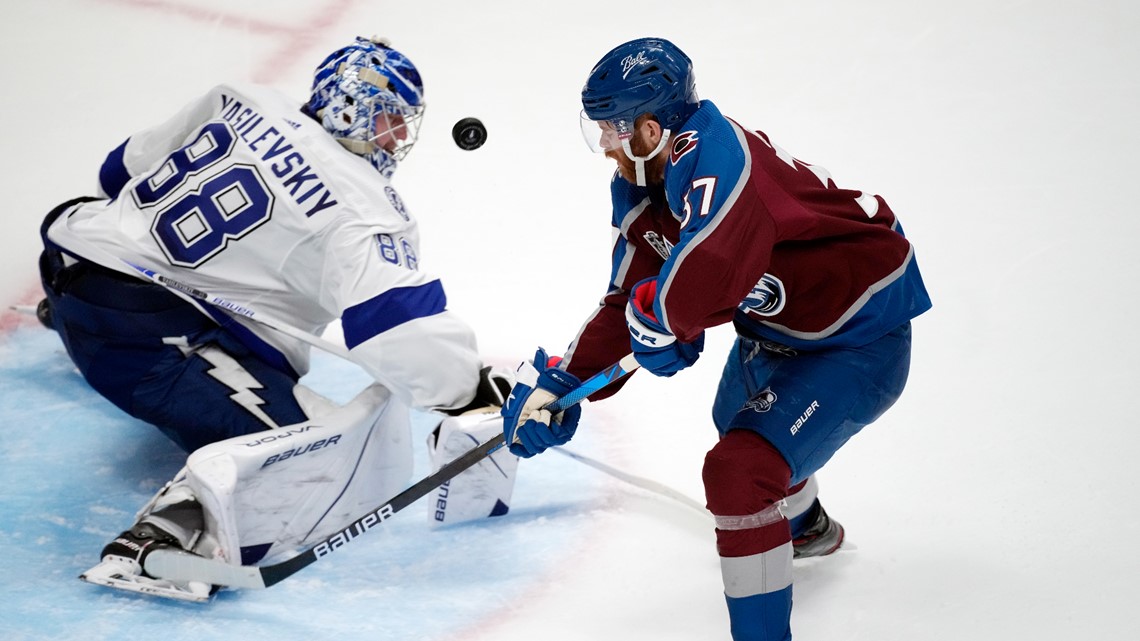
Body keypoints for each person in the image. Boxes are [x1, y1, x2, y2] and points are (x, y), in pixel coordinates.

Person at [37, 36, 516, 601]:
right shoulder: (360, 207)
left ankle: (73, 320)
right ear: (353, 107)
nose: (401, 136)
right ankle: (169, 535)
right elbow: (397, 330)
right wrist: (466, 392)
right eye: (392, 118)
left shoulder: (243, 98)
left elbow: (119, 171)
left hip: (73, 257)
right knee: (307, 452)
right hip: (145, 343)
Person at [500, 37, 932, 640]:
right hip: (776, 329)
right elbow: (634, 297)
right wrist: (563, 381)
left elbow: (704, 274)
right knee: (735, 418)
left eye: (612, 129)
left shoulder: (717, 162)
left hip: (857, 337)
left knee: (740, 470)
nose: (603, 146)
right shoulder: (643, 181)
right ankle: (805, 528)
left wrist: (662, 321)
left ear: (651, 129)